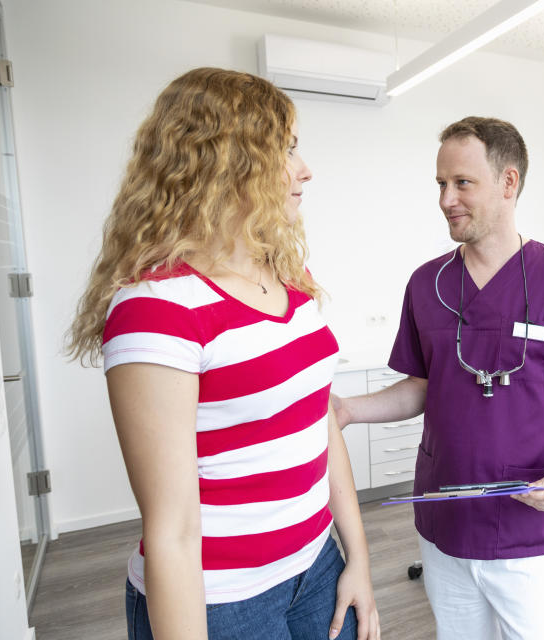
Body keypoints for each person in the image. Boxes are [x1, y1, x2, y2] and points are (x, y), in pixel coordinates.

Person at [66, 68, 379, 640]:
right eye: (286, 150)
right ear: (227, 162)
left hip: (317, 567)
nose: (304, 169)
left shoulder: (287, 273)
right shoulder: (157, 305)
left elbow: (319, 420)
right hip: (221, 600)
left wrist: (356, 556)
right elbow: (173, 532)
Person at [334, 116, 544, 639]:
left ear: (508, 183)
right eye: (441, 184)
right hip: (445, 520)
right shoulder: (428, 284)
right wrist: (349, 410)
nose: (447, 198)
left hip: (530, 524)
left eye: (462, 182)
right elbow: (421, 388)